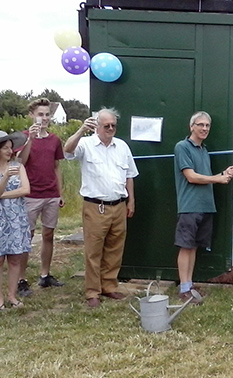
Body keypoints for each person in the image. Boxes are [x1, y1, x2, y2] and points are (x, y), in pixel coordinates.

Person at [63, 108, 139, 308]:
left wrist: (131, 201)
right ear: (97, 126)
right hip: (96, 207)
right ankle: (92, 291)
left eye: (114, 125)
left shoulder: (122, 146)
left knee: (115, 249)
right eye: (106, 125)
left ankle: (109, 286)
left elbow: (130, 175)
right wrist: (80, 131)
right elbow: (67, 150)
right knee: (93, 251)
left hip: (119, 205)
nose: (111, 128)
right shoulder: (85, 144)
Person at [174, 111, 233, 304]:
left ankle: (189, 285)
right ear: (191, 126)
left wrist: (223, 173)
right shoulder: (182, 147)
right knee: (186, 246)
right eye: (200, 125)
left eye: (207, 126)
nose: (204, 129)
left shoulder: (203, 150)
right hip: (189, 206)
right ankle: (183, 288)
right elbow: (191, 176)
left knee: (194, 247)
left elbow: (204, 176)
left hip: (205, 206)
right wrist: (218, 179)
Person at [16, 98, 65, 297]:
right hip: (30, 194)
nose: (44, 118)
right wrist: (31, 140)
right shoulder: (23, 137)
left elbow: (56, 167)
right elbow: (21, 162)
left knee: (48, 235)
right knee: (26, 237)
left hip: (51, 194)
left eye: (47, 115)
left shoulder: (54, 140)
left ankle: (45, 275)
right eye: (40, 114)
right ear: (32, 116)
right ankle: (20, 278)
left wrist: (60, 192)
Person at [0, 131, 30, 308]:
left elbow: (26, 189)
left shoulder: (18, 166)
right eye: (5, 148)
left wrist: (3, 196)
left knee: (15, 258)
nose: (9, 151)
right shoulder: (9, 171)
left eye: (11, 148)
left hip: (15, 218)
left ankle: (12, 296)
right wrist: (6, 177)